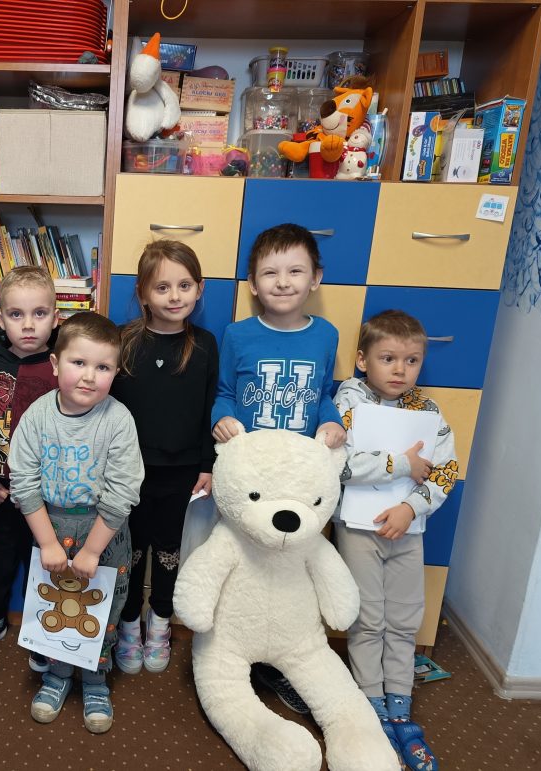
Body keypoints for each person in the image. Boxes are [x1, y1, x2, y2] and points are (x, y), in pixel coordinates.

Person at [210, 222, 346, 713]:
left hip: (297, 479)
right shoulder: (237, 334)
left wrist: (332, 422)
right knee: (242, 563)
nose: (283, 282)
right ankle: (234, 650)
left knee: (291, 572)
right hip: (252, 476)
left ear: (316, 279)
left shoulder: (325, 335)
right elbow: (224, 392)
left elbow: (325, 395)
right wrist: (221, 417)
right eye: (270, 273)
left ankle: (282, 661)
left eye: (295, 271)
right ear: (252, 283)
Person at [333, 310, 457, 771]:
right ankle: (371, 701)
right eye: (388, 358)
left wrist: (410, 508)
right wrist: (399, 464)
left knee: (404, 618)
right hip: (359, 529)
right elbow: (341, 465)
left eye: (411, 360)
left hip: (407, 529)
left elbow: (445, 471)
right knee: (368, 618)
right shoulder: (348, 402)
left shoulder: (428, 412)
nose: (400, 370)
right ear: (363, 360)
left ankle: (400, 702)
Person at [9, 312, 144, 734]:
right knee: (54, 605)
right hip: (49, 526)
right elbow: (23, 482)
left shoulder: (118, 420)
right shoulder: (37, 416)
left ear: (115, 372)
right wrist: (49, 544)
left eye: (102, 367)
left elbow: (122, 492)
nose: (89, 376)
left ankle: (96, 678)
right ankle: (57, 674)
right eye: (79, 363)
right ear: (55, 364)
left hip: (103, 532)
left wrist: (92, 550)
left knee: (102, 609)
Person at [110, 240, 217, 674]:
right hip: (129, 473)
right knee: (131, 553)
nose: (175, 296)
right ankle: (128, 625)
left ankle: (160, 624)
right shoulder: (123, 340)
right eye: (162, 287)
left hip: (182, 472)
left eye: (184, 285)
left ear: (199, 288)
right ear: (142, 292)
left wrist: (208, 464)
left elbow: (210, 408)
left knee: (169, 552)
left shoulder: (204, 344)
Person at [0, 267, 59, 667]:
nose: (28, 325)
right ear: (0, 319)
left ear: (56, 317)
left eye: (40, 313)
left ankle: (44, 631)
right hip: (0, 494)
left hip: (50, 497)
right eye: (16, 314)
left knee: (45, 567)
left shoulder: (63, 367)